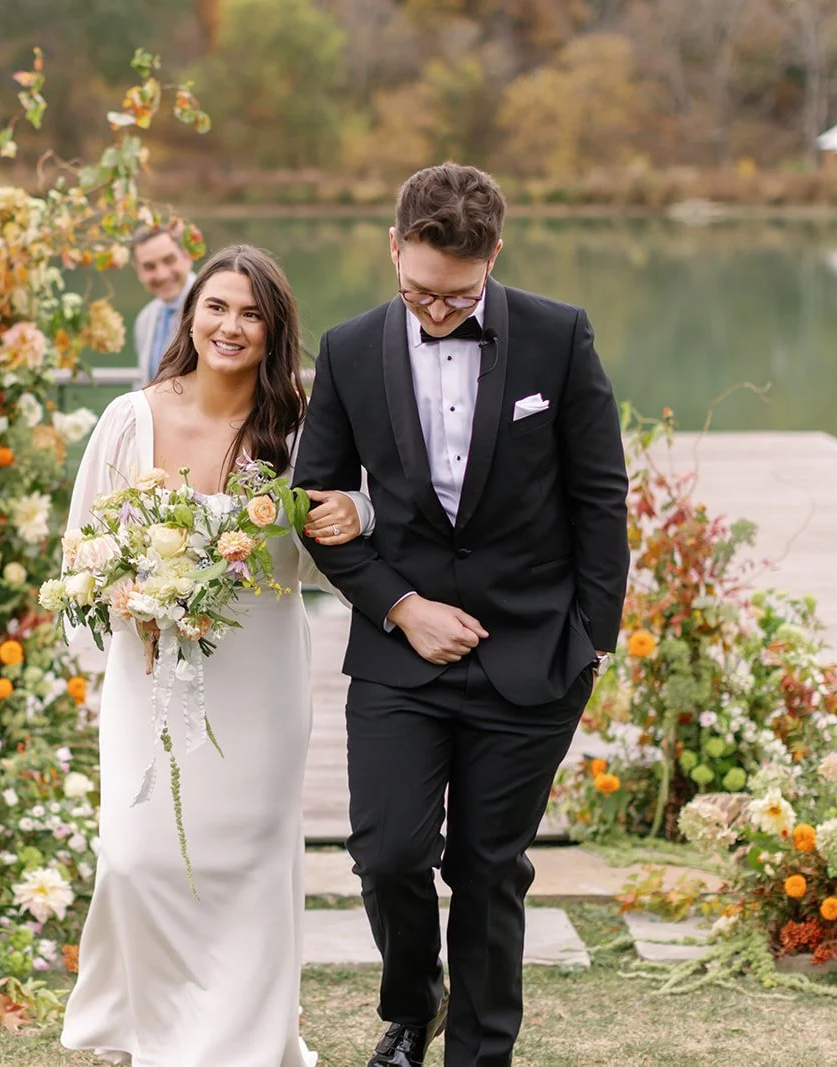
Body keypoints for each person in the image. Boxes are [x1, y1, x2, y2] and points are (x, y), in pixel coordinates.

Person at [294, 163, 630, 1067]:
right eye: (418, 293)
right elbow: (314, 501)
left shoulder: (559, 337)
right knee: (387, 852)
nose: (436, 312)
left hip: (533, 654)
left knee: (489, 869)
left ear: (494, 256)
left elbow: (602, 495)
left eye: (457, 296)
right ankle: (415, 1001)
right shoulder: (352, 348)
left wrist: (590, 639)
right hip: (402, 654)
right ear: (393, 246)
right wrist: (401, 606)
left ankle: (478, 1056)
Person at [59, 244, 371, 1066]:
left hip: (258, 675)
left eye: (252, 314)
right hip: (149, 669)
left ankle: (242, 1042)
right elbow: (82, 550)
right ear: (189, 314)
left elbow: (337, 538)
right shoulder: (130, 418)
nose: (231, 326)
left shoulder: (300, 428)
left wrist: (355, 516)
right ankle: (145, 1023)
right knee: (134, 853)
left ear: (274, 331)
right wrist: (132, 599)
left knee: (245, 861)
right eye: (217, 307)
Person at [130, 225, 196, 382]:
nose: (162, 274)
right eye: (149, 267)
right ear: (138, 273)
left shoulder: (213, 308)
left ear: (187, 257)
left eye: (169, 260)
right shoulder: (145, 319)